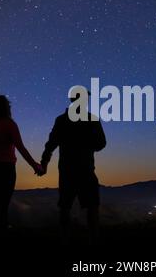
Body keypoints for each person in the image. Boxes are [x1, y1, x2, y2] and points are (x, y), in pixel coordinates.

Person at [40, 90, 106, 245]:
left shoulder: (61, 120)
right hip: (86, 169)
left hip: (67, 170)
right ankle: (93, 240)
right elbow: (101, 143)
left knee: (65, 206)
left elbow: (51, 144)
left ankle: (64, 240)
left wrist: (44, 163)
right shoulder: (92, 119)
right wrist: (87, 145)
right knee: (92, 206)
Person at [0, 94, 42, 232]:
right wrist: (35, 165)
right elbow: (20, 147)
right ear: (5, 108)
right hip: (6, 169)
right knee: (3, 207)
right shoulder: (10, 124)